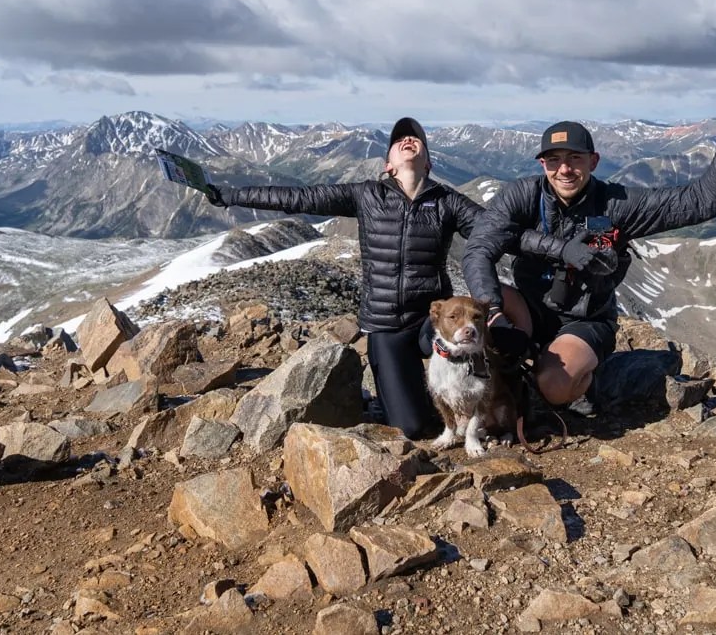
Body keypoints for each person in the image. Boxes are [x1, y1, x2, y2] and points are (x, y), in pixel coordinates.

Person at [201, 117, 556, 439]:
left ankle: (502, 393)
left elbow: (501, 233)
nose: (408, 139)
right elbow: (298, 198)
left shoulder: (447, 201)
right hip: (384, 325)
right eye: (399, 138)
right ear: (388, 165)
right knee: (414, 427)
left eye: (416, 138)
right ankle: (433, 397)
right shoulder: (367, 195)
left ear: (429, 162)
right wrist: (230, 196)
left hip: (427, 322)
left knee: (471, 333)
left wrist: (560, 249)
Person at [461, 94, 716, 411]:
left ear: (593, 161)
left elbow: (700, 202)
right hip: (529, 308)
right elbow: (478, 249)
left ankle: (585, 379)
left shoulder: (616, 204)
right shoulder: (522, 195)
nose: (564, 169)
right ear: (542, 164)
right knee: (471, 313)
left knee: (553, 387)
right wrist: (494, 314)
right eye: (554, 160)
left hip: (585, 319)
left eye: (575, 158)